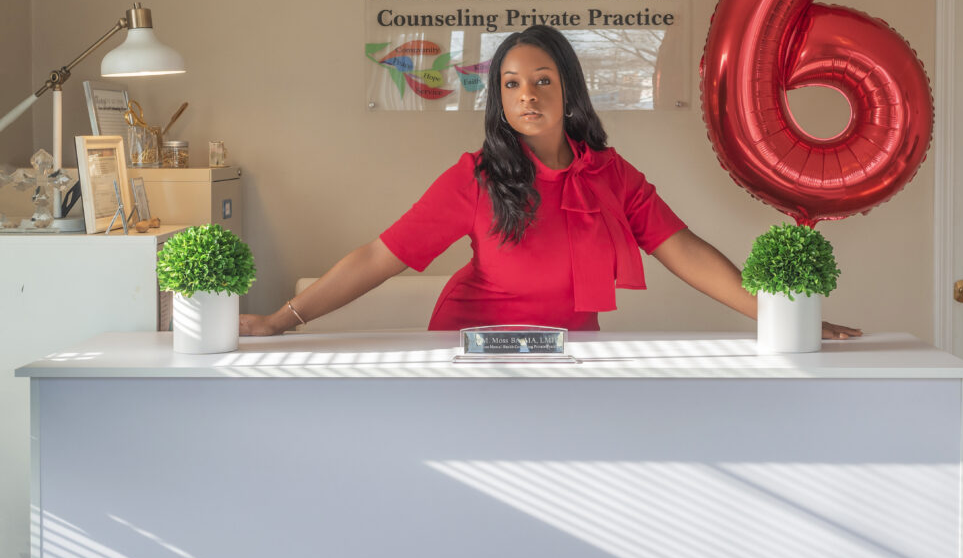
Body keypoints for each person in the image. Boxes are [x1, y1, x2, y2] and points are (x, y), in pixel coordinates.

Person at [241, 26, 860, 340]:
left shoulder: (611, 174)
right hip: (472, 347)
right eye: (510, 83)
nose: (526, 94)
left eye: (540, 79)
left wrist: (780, 316)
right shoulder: (473, 177)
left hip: (570, 350)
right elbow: (380, 256)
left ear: (568, 89)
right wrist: (280, 320)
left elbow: (687, 252)